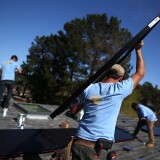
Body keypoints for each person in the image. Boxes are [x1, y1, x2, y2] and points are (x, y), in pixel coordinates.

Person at [70, 41, 145, 160]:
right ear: (120, 78)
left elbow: (74, 110)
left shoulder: (90, 88)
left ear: (107, 74)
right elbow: (140, 73)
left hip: (78, 143)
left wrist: (90, 100)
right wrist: (138, 50)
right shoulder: (120, 88)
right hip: (95, 150)